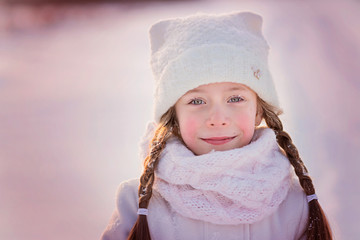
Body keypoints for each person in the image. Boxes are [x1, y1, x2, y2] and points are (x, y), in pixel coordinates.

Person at [101, 11, 332, 240]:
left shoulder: (296, 204)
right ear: (173, 118)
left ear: (259, 111)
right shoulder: (139, 202)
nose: (217, 118)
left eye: (235, 99)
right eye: (197, 101)